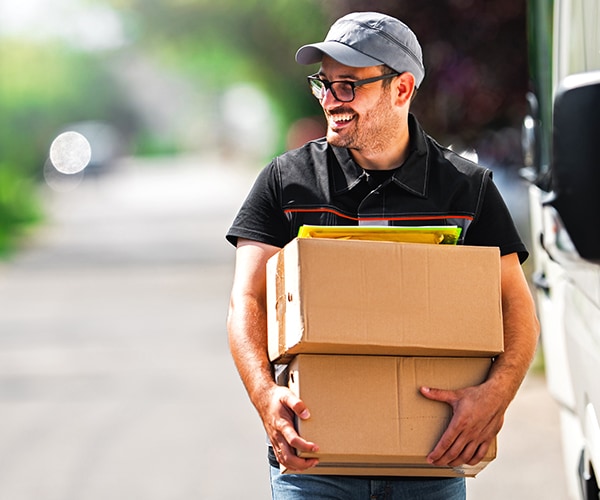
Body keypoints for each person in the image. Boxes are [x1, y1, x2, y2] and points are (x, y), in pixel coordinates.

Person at [226, 11, 539, 500]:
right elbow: (245, 300)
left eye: (348, 86)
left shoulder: (466, 190)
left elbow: (516, 307)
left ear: (401, 88)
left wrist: (495, 395)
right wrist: (265, 396)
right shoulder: (285, 182)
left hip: (431, 464)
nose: (330, 100)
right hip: (313, 465)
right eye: (323, 84)